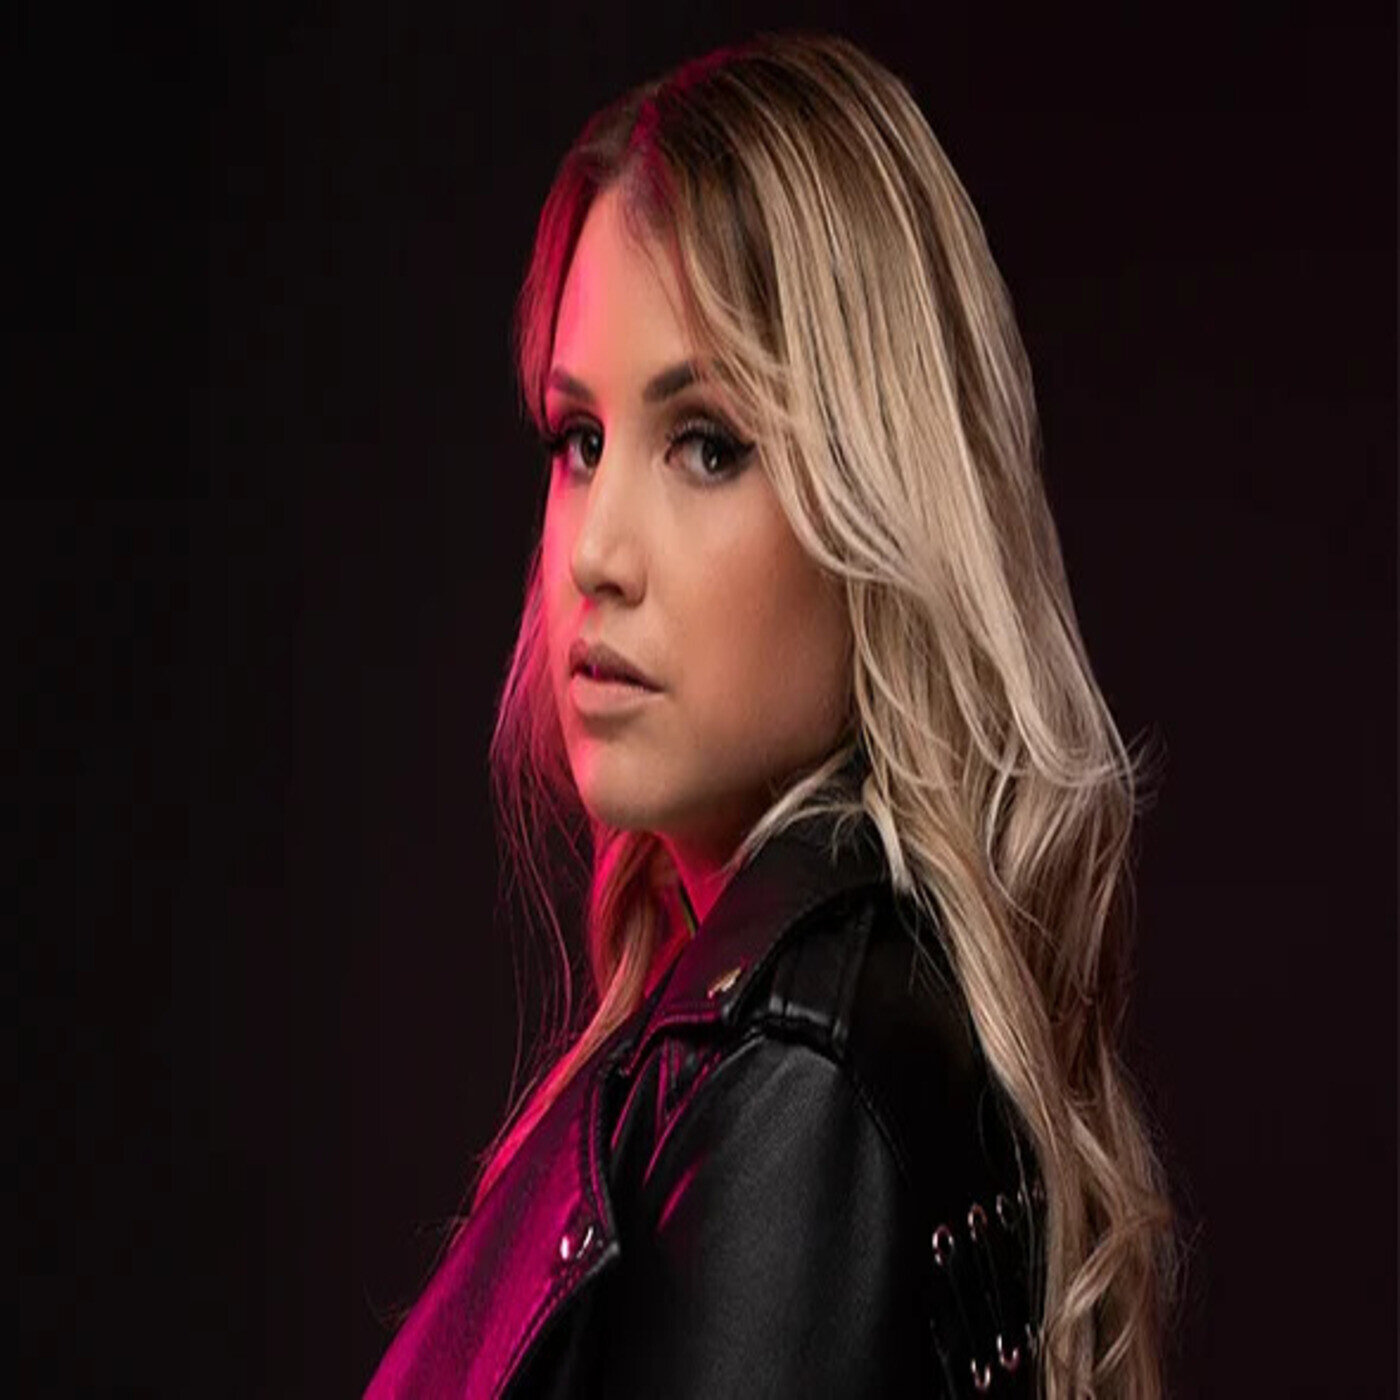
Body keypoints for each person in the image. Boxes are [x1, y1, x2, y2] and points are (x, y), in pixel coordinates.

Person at [365, 31, 1175, 1400]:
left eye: (708, 445)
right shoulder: (780, 1019)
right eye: (580, 441)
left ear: (882, 505)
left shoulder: (799, 1064)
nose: (595, 554)